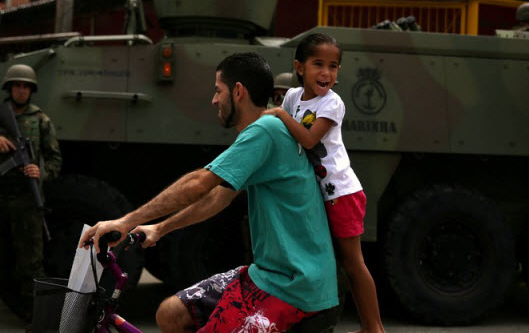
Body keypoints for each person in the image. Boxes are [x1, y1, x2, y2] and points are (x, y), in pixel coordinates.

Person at [80, 52, 338, 333]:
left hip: (295, 286)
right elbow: (219, 196)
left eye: (218, 91)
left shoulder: (265, 131)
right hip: (266, 276)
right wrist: (160, 229)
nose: (214, 100)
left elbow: (200, 183)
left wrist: (124, 221)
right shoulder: (266, 131)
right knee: (170, 314)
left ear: (238, 91)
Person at [263, 33, 384, 333]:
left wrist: (277, 114)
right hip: (318, 194)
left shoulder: (332, 103)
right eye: (318, 64)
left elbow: (307, 138)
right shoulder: (292, 97)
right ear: (299, 67)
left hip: (342, 193)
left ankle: (374, 328)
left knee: (353, 264)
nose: (327, 72)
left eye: (333, 66)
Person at [0, 64, 61, 333]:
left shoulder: (41, 120)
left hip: (25, 201)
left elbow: (55, 159)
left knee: (31, 265)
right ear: (9, 88)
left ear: (31, 90)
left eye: (26, 86)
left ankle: (35, 321)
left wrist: (40, 172)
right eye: (17, 85)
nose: (21, 90)